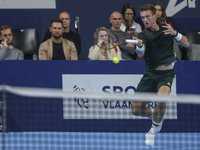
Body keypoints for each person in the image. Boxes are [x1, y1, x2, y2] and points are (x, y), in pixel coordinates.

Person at [131, 4, 189, 147]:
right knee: (136, 110)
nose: (145, 20)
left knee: (161, 100)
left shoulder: (166, 28)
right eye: (143, 17)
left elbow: (187, 44)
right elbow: (141, 53)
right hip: (150, 74)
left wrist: (175, 33)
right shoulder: (143, 35)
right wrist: (139, 46)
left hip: (166, 74)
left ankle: (153, 130)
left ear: (155, 16)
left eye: (147, 16)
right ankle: (155, 117)